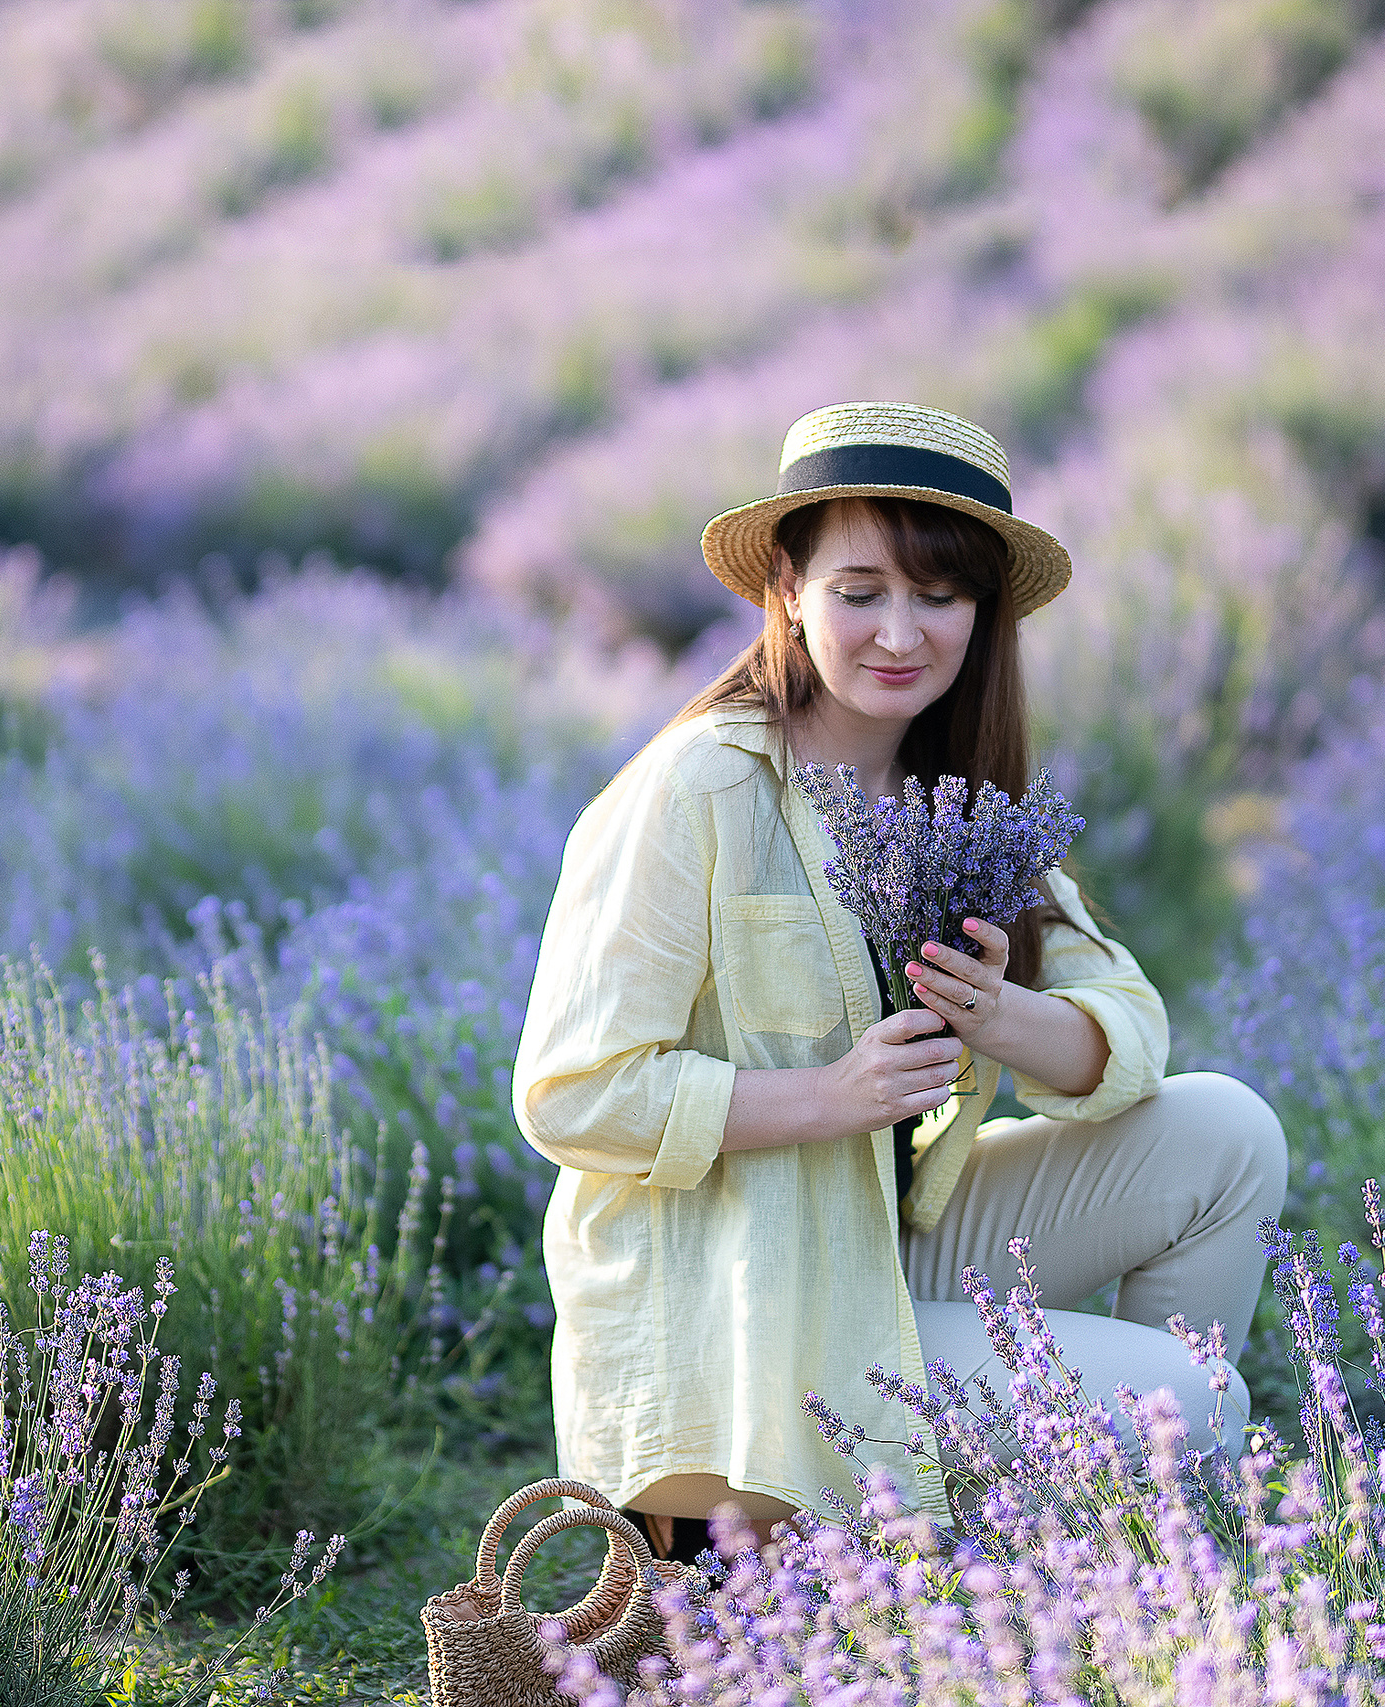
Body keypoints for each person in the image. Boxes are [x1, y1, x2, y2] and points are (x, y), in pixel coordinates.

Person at [511, 401, 1286, 1564]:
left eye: (938, 596)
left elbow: (1127, 1032)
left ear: (983, 614)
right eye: (859, 591)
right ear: (788, 590)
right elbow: (570, 1094)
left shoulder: (952, 800)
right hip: (749, 1314)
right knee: (1191, 1401)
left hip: (877, 1246)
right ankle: (983, 1546)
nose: (898, 632)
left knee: (1226, 1131)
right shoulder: (703, 786)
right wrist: (830, 1097)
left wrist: (1002, 1015)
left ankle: (1094, 1549)